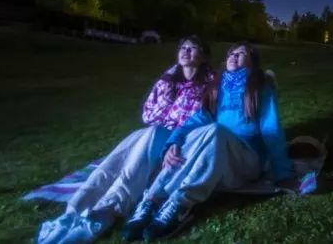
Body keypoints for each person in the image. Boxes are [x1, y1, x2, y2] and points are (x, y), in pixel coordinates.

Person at [36, 36, 214, 244]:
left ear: (203, 56)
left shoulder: (209, 83)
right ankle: (74, 209)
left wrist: (171, 123)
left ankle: (106, 210)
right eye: (183, 47)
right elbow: (148, 113)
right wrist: (166, 118)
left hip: (180, 136)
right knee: (115, 161)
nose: (186, 51)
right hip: (154, 130)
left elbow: (200, 117)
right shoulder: (168, 79)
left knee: (132, 168)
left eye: (193, 48)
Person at [121, 42, 298, 242]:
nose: (233, 55)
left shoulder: (260, 85)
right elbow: (197, 119)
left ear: (253, 62)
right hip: (218, 157)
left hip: (246, 161)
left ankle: (181, 204)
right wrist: (174, 142)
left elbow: (271, 130)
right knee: (192, 135)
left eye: (241, 53)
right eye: (231, 52)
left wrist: (283, 174)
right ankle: (152, 200)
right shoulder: (219, 86)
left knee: (215, 131)